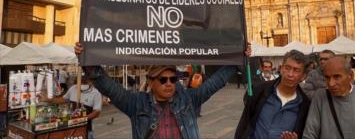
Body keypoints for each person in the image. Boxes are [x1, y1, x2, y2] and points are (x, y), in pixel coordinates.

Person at [75, 42, 250, 139]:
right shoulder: (136, 104)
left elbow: (215, 82)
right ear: (150, 81)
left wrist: (238, 58)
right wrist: (86, 58)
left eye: (173, 79)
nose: (169, 83)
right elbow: (107, 86)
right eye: (163, 79)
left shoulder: (188, 100)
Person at [236, 50, 311, 139]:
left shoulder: (304, 105)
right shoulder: (260, 90)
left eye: (296, 70)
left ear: (303, 76)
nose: (290, 74)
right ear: (281, 69)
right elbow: (244, 123)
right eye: (287, 68)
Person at [39, 73, 102, 139]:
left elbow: (96, 112)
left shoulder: (96, 94)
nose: (83, 84)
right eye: (81, 82)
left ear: (91, 82)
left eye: (85, 82)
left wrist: (83, 119)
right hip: (71, 127)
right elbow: (62, 99)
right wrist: (48, 100)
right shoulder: (73, 88)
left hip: (86, 128)